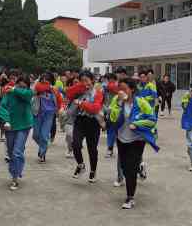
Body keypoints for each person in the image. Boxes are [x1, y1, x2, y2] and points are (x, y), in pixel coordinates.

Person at [108, 79, 159, 209]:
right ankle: (139, 168)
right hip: (121, 139)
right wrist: (119, 104)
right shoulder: (116, 101)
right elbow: (113, 118)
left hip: (137, 140)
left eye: (124, 89)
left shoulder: (141, 102)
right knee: (124, 167)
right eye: (120, 89)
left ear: (132, 89)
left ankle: (130, 197)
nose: (122, 92)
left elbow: (152, 120)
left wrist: (136, 124)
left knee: (130, 169)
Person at [65, 70, 104, 182]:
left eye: (86, 80)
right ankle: (81, 165)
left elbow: (95, 109)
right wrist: (78, 87)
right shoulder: (79, 91)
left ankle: (93, 171)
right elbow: (68, 94)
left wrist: (81, 103)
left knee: (92, 148)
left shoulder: (98, 93)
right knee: (75, 144)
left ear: (92, 80)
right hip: (80, 120)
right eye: (82, 80)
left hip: (93, 122)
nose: (84, 83)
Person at [1, 74, 34, 190]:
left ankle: (15, 178)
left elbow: (27, 94)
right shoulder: (8, 93)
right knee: (11, 152)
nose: (22, 89)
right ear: (16, 84)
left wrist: (15, 89)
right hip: (10, 126)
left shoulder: (28, 94)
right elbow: (2, 107)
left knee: (17, 152)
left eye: (24, 87)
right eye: (20, 86)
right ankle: (15, 170)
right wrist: (6, 121)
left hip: (24, 126)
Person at [32, 72, 63, 163]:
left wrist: (59, 110)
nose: (45, 81)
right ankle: (44, 145)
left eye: (47, 79)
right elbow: (32, 92)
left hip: (49, 114)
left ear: (51, 81)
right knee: (35, 135)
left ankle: (42, 153)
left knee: (44, 135)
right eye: (43, 79)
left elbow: (59, 100)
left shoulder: (54, 90)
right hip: (37, 113)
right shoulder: (37, 88)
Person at [103, 73, 119, 158]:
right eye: (107, 79)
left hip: (117, 112)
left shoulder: (115, 87)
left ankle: (112, 149)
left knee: (116, 132)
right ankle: (110, 148)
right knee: (110, 131)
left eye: (109, 79)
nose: (108, 81)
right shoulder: (105, 89)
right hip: (108, 112)